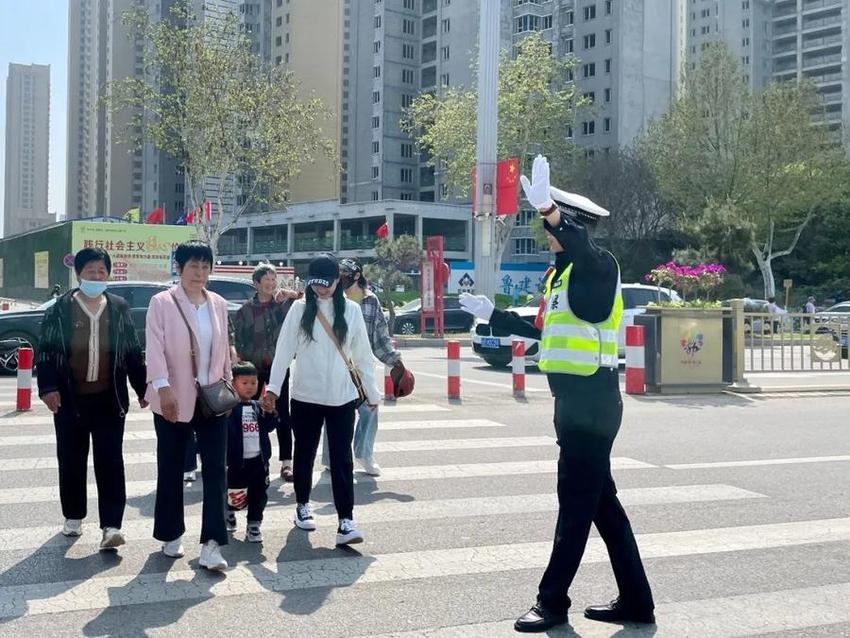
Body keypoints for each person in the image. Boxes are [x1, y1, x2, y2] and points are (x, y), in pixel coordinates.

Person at [460, 155, 654, 633]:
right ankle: (637, 601)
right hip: (573, 404)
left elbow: (581, 248)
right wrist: (494, 315)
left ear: (574, 226)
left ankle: (551, 602)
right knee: (602, 505)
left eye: (551, 224)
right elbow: (545, 331)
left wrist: (550, 209)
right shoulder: (561, 277)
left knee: (574, 505)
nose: (546, 232)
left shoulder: (597, 265)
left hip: (593, 402)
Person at [262, 254, 380, 546]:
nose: (321, 290)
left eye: (327, 285)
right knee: (305, 454)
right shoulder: (300, 309)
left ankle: (346, 521)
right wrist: (273, 389)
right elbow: (283, 351)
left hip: (342, 398)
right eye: (316, 285)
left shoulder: (351, 311)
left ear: (338, 281)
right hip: (305, 397)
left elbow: (363, 356)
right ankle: (303, 506)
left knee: (342, 459)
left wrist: (372, 393)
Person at [36, 247, 147, 549]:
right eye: (90, 271)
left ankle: (111, 525)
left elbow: (132, 352)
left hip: (109, 400)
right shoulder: (59, 309)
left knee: (111, 461)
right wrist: (48, 388)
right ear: (79, 274)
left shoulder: (119, 307)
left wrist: (142, 388)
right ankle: (73, 515)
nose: (96, 276)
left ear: (108, 274)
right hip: (70, 401)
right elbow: (45, 352)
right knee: (71, 460)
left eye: (101, 271)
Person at [145, 241, 232, 571]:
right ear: (179, 267)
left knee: (215, 469)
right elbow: (154, 348)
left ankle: (212, 544)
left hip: (212, 400)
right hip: (173, 398)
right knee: (170, 468)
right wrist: (162, 387)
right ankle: (170, 533)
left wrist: (226, 384)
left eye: (205, 266)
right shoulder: (162, 303)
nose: (200, 272)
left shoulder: (219, 304)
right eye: (193, 265)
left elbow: (223, 349)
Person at [320, 257, 410, 476]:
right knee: (334, 411)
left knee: (370, 408)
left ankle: (364, 453)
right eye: (338, 274)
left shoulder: (371, 301)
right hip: (336, 366)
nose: (339, 279)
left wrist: (394, 360)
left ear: (356, 276)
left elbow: (380, 336)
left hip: (362, 367)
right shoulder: (331, 298)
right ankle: (331, 458)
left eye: (344, 275)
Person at [234, 263, 300, 483]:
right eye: (267, 280)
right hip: (252, 370)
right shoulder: (244, 310)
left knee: (283, 414)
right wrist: (245, 362)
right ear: (256, 284)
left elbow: (307, 299)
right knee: (248, 413)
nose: (272, 284)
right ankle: (248, 457)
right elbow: (238, 340)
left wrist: (290, 293)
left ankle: (286, 463)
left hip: (278, 368)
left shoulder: (283, 305)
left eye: (274, 279)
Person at [225, 361, 278, 543]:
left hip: (258, 461)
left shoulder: (258, 407)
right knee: (234, 492)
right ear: (233, 384)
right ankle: (230, 511)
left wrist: (270, 413)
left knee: (259, 493)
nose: (250, 387)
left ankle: (254, 524)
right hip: (236, 462)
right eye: (244, 383)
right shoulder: (229, 409)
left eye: (253, 383)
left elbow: (270, 427)